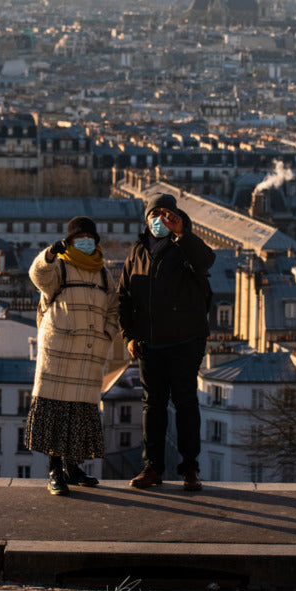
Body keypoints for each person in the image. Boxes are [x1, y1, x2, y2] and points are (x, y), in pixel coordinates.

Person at [117, 193, 216, 491]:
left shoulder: (185, 247)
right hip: (150, 344)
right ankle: (153, 468)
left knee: (186, 405)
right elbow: (123, 296)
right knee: (153, 407)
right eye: (154, 213)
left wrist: (182, 234)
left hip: (185, 341)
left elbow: (207, 259)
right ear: (146, 219)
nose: (160, 219)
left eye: (166, 214)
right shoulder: (137, 251)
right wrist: (129, 335)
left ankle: (189, 468)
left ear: (177, 217)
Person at [26, 216, 121, 496]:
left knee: (79, 413)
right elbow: (38, 276)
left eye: (90, 238)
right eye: (79, 238)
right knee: (57, 410)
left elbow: (114, 308)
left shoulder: (103, 274)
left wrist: (107, 334)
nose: (86, 242)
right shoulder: (61, 268)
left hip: (89, 355)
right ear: (69, 241)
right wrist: (49, 254)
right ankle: (55, 470)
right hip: (60, 352)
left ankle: (73, 467)